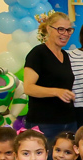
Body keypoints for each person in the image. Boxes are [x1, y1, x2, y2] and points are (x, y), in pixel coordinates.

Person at [22, 12, 76, 140]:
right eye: (60, 29)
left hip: (68, 122)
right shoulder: (38, 54)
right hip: (44, 123)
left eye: (68, 30)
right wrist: (56, 92)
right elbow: (28, 88)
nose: (65, 33)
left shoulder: (65, 56)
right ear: (48, 29)